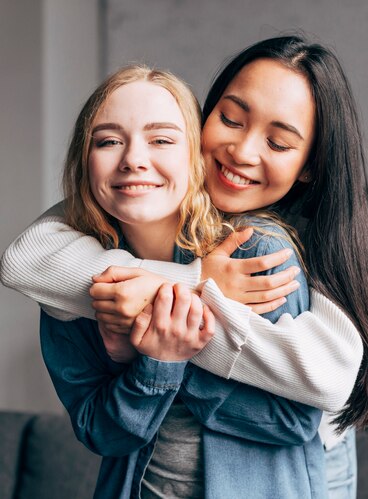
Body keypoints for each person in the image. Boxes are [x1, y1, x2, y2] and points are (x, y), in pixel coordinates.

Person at [0, 35, 368, 498]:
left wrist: (156, 337)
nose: (243, 152)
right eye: (230, 119)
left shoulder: (269, 247)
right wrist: (192, 282)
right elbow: (25, 260)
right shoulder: (91, 243)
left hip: (305, 468)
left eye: (279, 142)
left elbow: (322, 390)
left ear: (311, 165)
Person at [40, 63, 331, 498]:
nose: (134, 159)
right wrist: (157, 360)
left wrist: (161, 356)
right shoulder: (70, 273)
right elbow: (97, 431)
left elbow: (293, 420)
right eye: (108, 141)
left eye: (161, 140)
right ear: (85, 159)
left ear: (193, 153)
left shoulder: (252, 250)